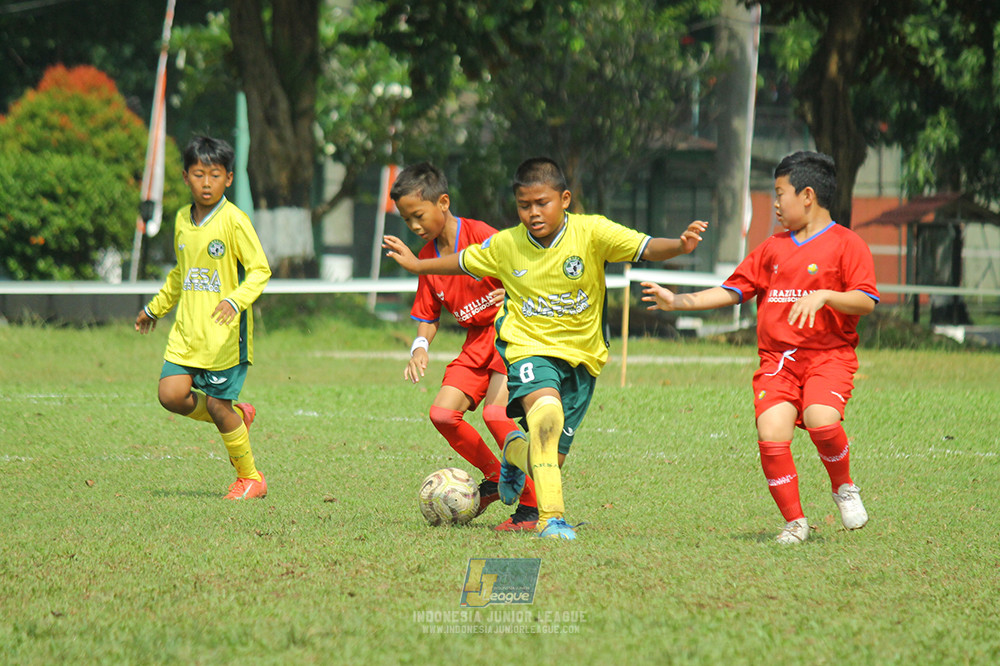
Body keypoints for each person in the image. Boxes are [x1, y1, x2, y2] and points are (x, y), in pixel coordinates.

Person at [384, 157, 707, 539]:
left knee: (543, 452)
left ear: (565, 199)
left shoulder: (577, 232)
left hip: (573, 353)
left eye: (542, 203)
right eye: (524, 206)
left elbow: (645, 247)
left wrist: (680, 246)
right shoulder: (492, 246)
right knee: (524, 415)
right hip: (521, 344)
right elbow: (445, 284)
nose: (533, 213)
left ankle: (517, 471)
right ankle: (544, 514)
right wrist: (418, 298)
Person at [641, 150, 878, 544]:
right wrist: (678, 300)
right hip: (777, 362)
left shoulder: (846, 244)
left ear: (807, 195)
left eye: (779, 193)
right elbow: (731, 290)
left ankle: (843, 487)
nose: (776, 203)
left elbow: (867, 301)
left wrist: (826, 297)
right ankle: (795, 522)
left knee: (822, 418)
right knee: (771, 431)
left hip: (828, 357)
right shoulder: (771, 248)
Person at [389, 162, 539, 531]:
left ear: (443, 202)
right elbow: (428, 312)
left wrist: (514, 288)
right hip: (476, 341)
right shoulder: (426, 257)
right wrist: (419, 346)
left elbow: (523, 265)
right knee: (442, 414)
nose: (415, 227)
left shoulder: (481, 235)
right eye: (407, 220)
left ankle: (533, 507)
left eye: (418, 216)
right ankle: (493, 478)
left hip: (509, 332)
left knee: (496, 415)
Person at [135, 135, 271, 500]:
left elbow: (260, 270)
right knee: (170, 395)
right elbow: (181, 274)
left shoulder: (234, 220)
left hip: (224, 336)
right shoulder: (181, 219)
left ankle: (251, 478)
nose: (206, 182)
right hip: (187, 332)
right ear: (185, 177)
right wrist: (155, 308)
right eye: (198, 174)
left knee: (215, 403)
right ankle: (237, 418)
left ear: (228, 178)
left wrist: (235, 301)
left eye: (214, 174)